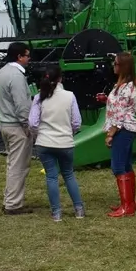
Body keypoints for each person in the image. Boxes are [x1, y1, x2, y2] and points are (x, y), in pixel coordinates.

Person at [28, 65, 86, 222]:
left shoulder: (39, 98)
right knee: (68, 174)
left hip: (44, 143)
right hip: (65, 142)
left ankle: (56, 213)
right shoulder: (70, 96)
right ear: (60, 78)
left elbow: (33, 123)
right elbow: (76, 122)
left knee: (51, 177)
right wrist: (69, 133)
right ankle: (79, 209)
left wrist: (38, 135)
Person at [0, 42, 34, 214]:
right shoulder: (17, 76)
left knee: (12, 164)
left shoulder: (2, 72)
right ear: (19, 57)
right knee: (19, 167)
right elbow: (22, 106)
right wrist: (28, 126)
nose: (29, 58)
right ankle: (14, 204)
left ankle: (9, 199)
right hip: (17, 127)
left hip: (5, 124)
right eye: (27, 55)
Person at [99, 51, 136, 218]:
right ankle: (130, 203)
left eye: (116, 64)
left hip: (123, 129)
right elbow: (119, 107)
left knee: (118, 167)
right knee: (126, 166)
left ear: (123, 66)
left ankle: (126, 206)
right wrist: (105, 100)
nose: (113, 66)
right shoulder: (122, 85)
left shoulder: (126, 87)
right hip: (127, 128)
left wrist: (111, 134)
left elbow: (121, 114)